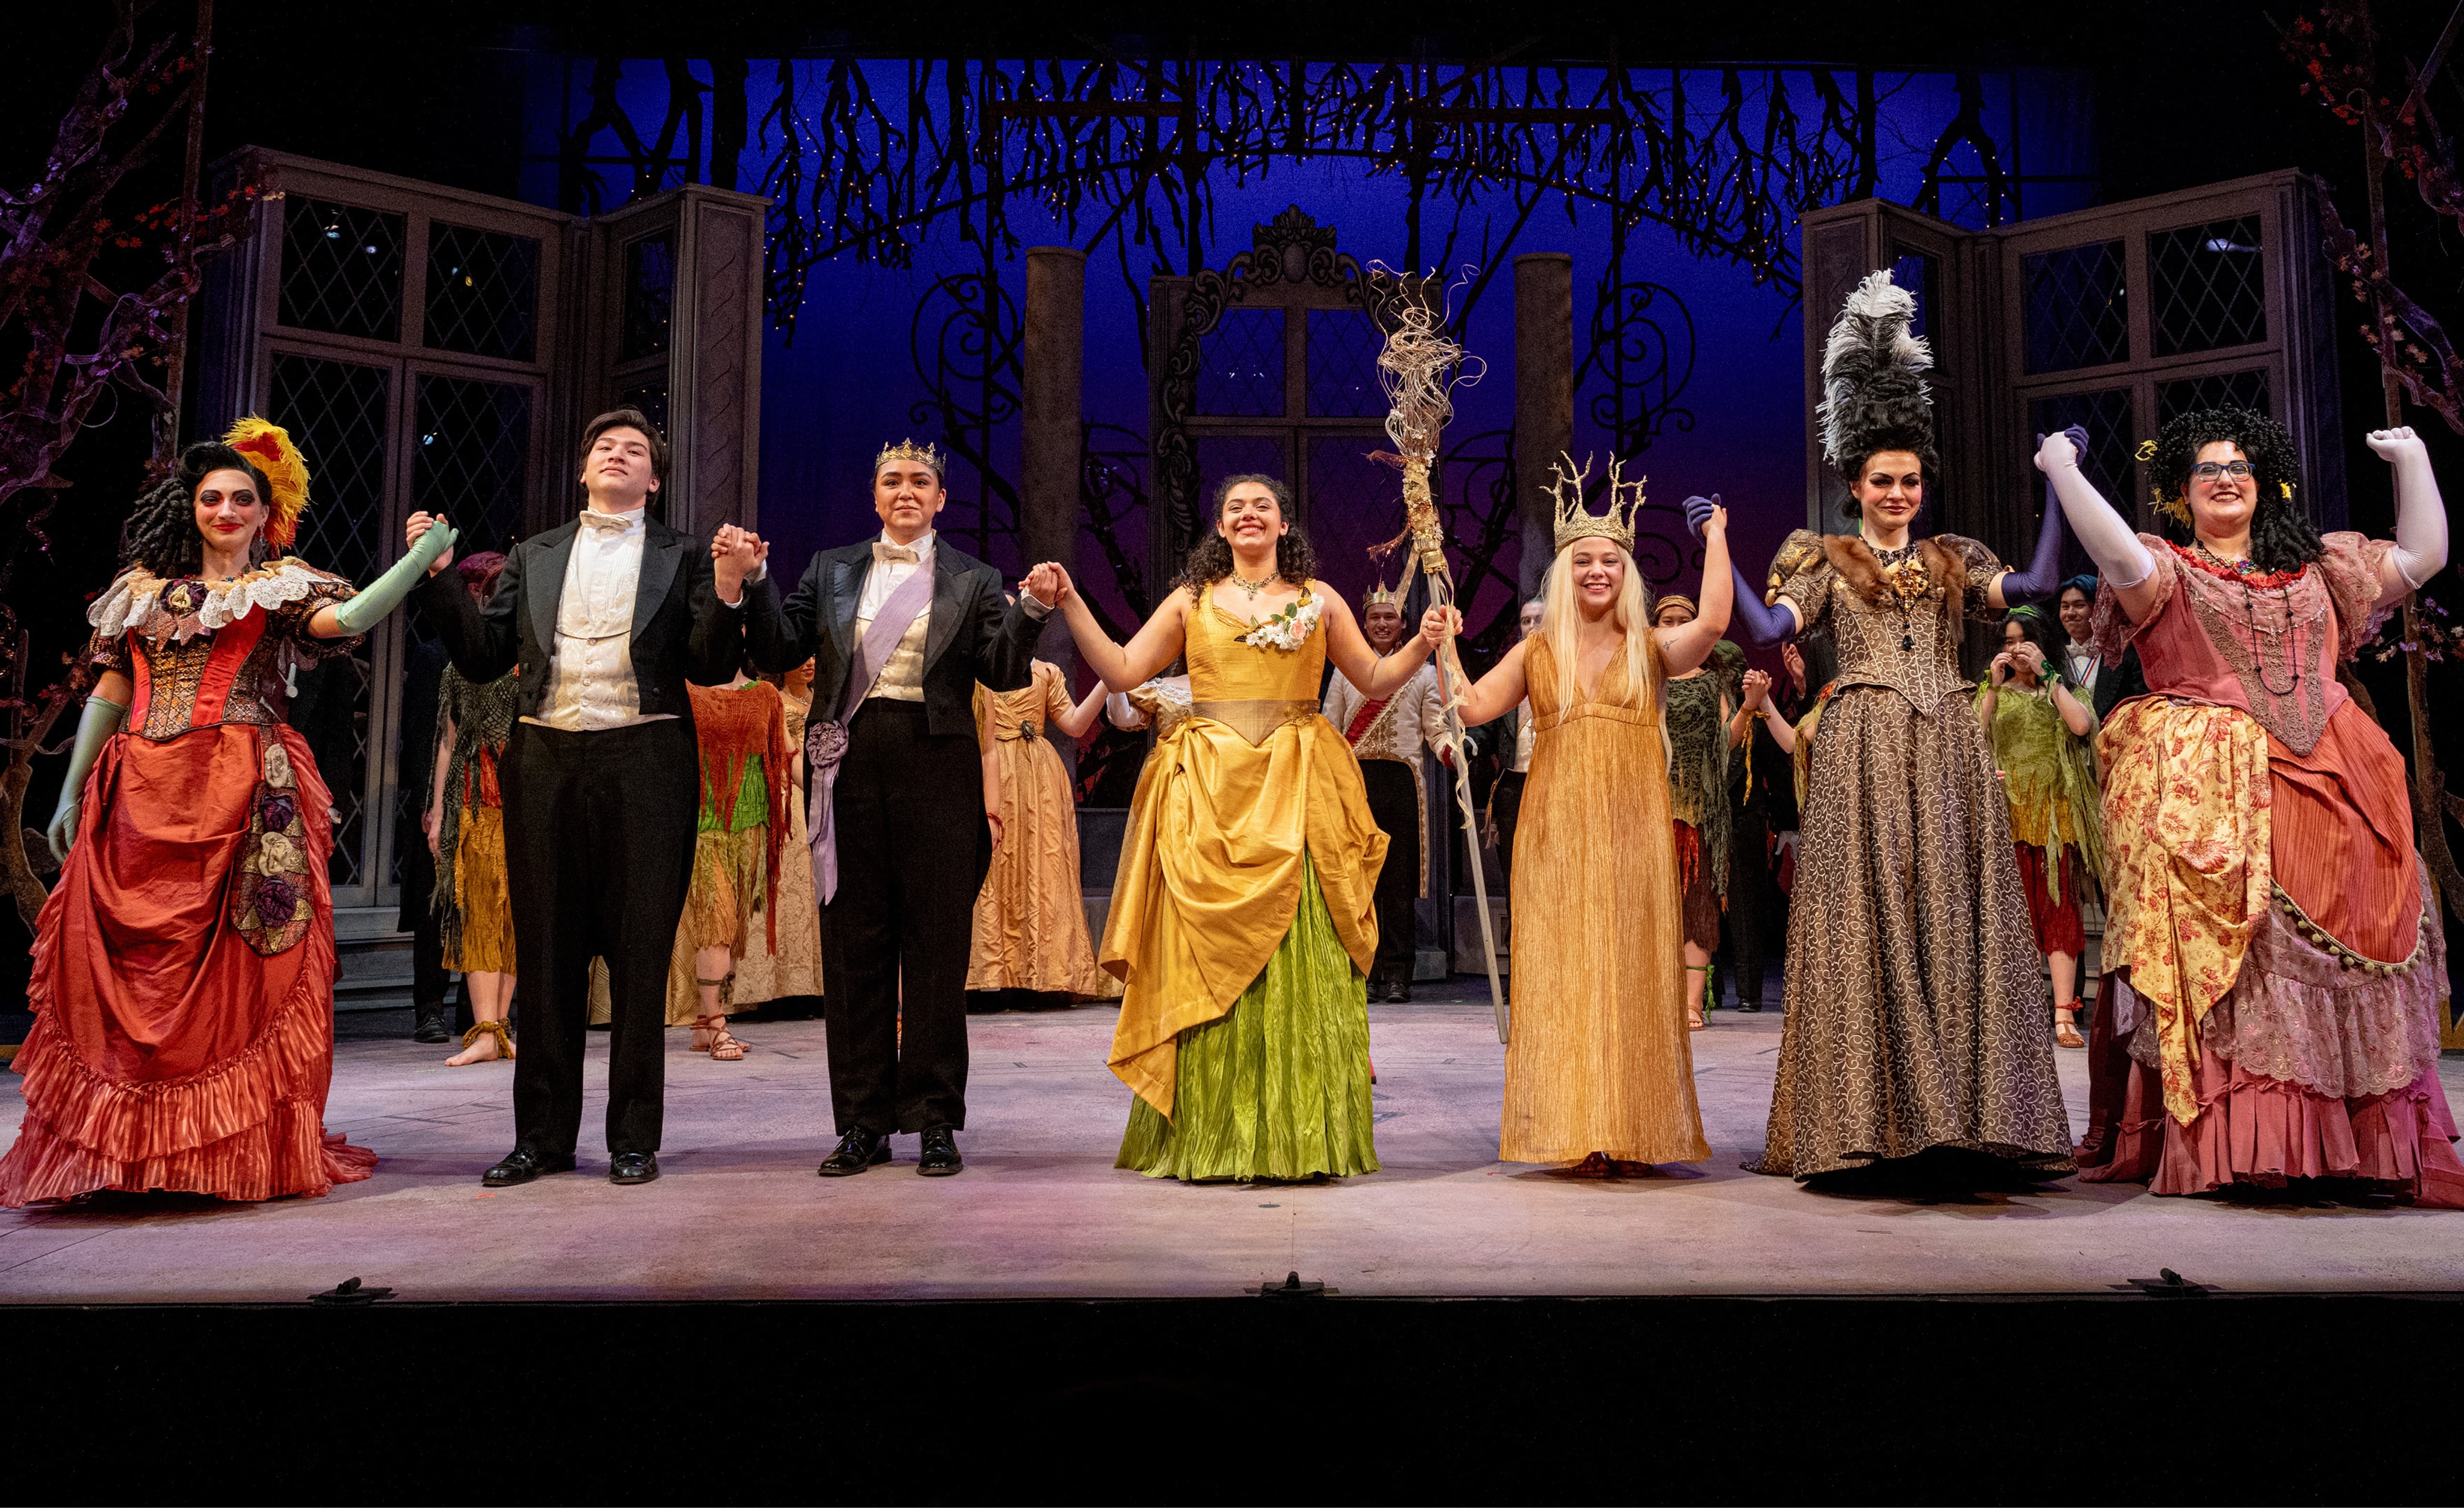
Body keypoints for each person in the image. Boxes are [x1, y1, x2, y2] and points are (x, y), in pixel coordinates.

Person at [1, 419, 450, 1205]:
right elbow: (112, 689)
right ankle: (132, 1153)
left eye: (243, 497)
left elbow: (343, 623)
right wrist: (71, 787)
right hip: (138, 787)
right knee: (130, 969)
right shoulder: (139, 591)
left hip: (241, 782)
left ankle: (223, 1151)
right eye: (212, 496)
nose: (226, 508)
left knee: (242, 969)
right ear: (191, 505)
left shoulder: (274, 587)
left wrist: (414, 563)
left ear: (262, 510)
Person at [2037, 412, 2462, 1204]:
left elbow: (2422, 556)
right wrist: (2061, 472)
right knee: (2251, 964)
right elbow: (2112, 552)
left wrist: (2412, 460)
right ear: (2181, 493)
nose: (2224, 478)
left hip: (2340, 775)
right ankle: (2255, 1144)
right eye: (2206, 470)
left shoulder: (2322, 567)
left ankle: (2358, 1145)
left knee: (2348, 953)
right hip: (2219, 796)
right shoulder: (2165, 570)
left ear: (2264, 483)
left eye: (2238, 466)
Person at [1723, 270, 2074, 1186]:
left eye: (1910, 480)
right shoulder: (1823, 558)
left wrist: (2058, 486)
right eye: (1881, 480)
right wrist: (1714, 547)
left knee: (1959, 917)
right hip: (1866, 742)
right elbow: (1765, 631)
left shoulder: (1954, 555)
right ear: (1853, 483)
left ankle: (1966, 1116)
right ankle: (1869, 1120)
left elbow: (2033, 591)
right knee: (1865, 915)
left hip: (1950, 740)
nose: (1897, 493)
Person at [1025, 473, 1445, 1183]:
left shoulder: (1320, 600)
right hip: (1210, 790)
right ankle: (1215, 1136)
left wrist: (1424, 644)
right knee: (1202, 960)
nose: (1250, 516)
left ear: (1284, 525)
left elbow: (1374, 679)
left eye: (1264, 507)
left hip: (1298, 785)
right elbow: (1126, 666)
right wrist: (1070, 603)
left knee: (1297, 955)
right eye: (1235, 508)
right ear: (1221, 528)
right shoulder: (1192, 601)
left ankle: (1298, 1134)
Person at [407, 406, 756, 1189]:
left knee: (638, 954)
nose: (617, 456)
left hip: (647, 755)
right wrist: (436, 580)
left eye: (635, 451)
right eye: (604, 447)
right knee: (550, 952)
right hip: (546, 755)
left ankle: (634, 1136)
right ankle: (540, 1138)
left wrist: (729, 589)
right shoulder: (533, 554)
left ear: (654, 479)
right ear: (582, 468)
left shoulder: (686, 554)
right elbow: (484, 654)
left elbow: (705, 664)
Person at [737, 441, 1046, 1179]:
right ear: (874, 496)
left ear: (942, 498)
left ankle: (935, 1118)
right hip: (845, 764)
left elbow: (1002, 672)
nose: (906, 491)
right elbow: (779, 645)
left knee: (937, 951)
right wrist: (754, 580)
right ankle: (863, 1121)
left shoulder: (972, 576)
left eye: (921, 482)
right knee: (854, 950)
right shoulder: (830, 569)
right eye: (892, 481)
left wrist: (1030, 609)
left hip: (938, 764)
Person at [1440, 467, 1733, 1171]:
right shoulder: (1539, 651)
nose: (1597, 571)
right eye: (1583, 562)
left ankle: (1633, 1128)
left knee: (1632, 974)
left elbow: (1716, 623)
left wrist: (1716, 537)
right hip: (1556, 834)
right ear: (1564, 577)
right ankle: (1577, 1129)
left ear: (1627, 574)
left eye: (1610, 561)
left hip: (1633, 832)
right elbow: (1474, 706)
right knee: (1568, 974)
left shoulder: (1651, 649)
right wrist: (1443, 643)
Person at [1975, 606, 2104, 1051]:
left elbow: (2081, 726)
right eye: (2008, 642)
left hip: (2054, 818)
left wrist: (2049, 676)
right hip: (2009, 818)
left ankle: (2064, 1013)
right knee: (2016, 918)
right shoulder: (1994, 693)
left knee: (2059, 913)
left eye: (2021, 642)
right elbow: (1974, 738)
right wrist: (1992, 688)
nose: (2013, 650)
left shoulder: (2061, 689)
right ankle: (2020, 1011)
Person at [1321, 583, 1449, 1002]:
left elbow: (1436, 729)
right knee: (1357, 882)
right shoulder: (1344, 672)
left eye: (1389, 618)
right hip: (1355, 785)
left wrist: (1453, 750)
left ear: (1404, 625)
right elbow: (1331, 730)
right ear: (1363, 624)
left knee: (1397, 882)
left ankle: (1398, 973)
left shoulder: (1425, 673)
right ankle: (1365, 969)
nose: (1381, 624)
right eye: (1375, 618)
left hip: (1402, 785)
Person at [966, 656, 1115, 1006]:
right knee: (992, 871)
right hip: (991, 770)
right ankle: (985, 977)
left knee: (1041, 871)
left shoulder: (1045, 672)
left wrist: (1109, 677)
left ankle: (1037, 976)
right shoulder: (976, 669)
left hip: (1039, 779)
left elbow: (1076, 726)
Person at [427, 552, 520, 1067]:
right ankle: (485, 1028)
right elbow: (448, 741)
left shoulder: (536, 660)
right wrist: (439, 810)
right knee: (482, 910)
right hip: (478, 799)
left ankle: (500, 1027)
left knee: (516, 917)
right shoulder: (462, 666)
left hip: (527, 800)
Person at [1654, 592, 1733, 1030]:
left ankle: (1691, 1003)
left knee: (1697, 905)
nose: (1678, 626)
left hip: (1699, 807)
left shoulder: (1711, 683)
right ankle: (1649, 997)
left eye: (1687, 620)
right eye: (1669, 620)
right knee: (1651, 904)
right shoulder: (1644, 676)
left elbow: (1726, 741)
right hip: (1649, 802)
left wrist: (1754, 705)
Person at [733, 659, 824, 1013]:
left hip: (807, 786)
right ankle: (771, 988)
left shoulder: (820, 699)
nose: (809, 663)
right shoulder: (771, 697)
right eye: (799, 658)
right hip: (777, 790)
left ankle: (809, 985)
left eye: (813, 656)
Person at [1723, 662, 1797, 1012]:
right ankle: (1702, 989)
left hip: (1745, 815)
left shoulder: (1754, 715)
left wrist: (1786, 823)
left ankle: (1749, 991)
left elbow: (1777, 767)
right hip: (1694, 813)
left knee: (1746, 905)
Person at [396, 622, 453, 1045]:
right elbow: (420, 732)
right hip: (442, 793)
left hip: (488, 791)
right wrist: (425, 801)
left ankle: (479, 1011)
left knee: (483, 905)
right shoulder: (435, 654)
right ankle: (430, 1010)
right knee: (435, 906)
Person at [1479, 597, 1545, 891]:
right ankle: (1515, 938)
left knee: (1552, 870)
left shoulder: (1572, 672)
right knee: (1514, 871)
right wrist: (1467, 744)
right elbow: (1485, 727)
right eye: (1526, 621)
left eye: (1539, 620)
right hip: (1512, 787)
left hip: (1553, 786)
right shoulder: (1510, 675)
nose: (1531, 627)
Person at [2055, 574, 2145, 726]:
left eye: (2079, 605)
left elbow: (2140, 708)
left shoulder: (2125, 654)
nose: (2070, 613)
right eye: (2065, 607)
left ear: (2098, 610)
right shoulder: (2053, 656)